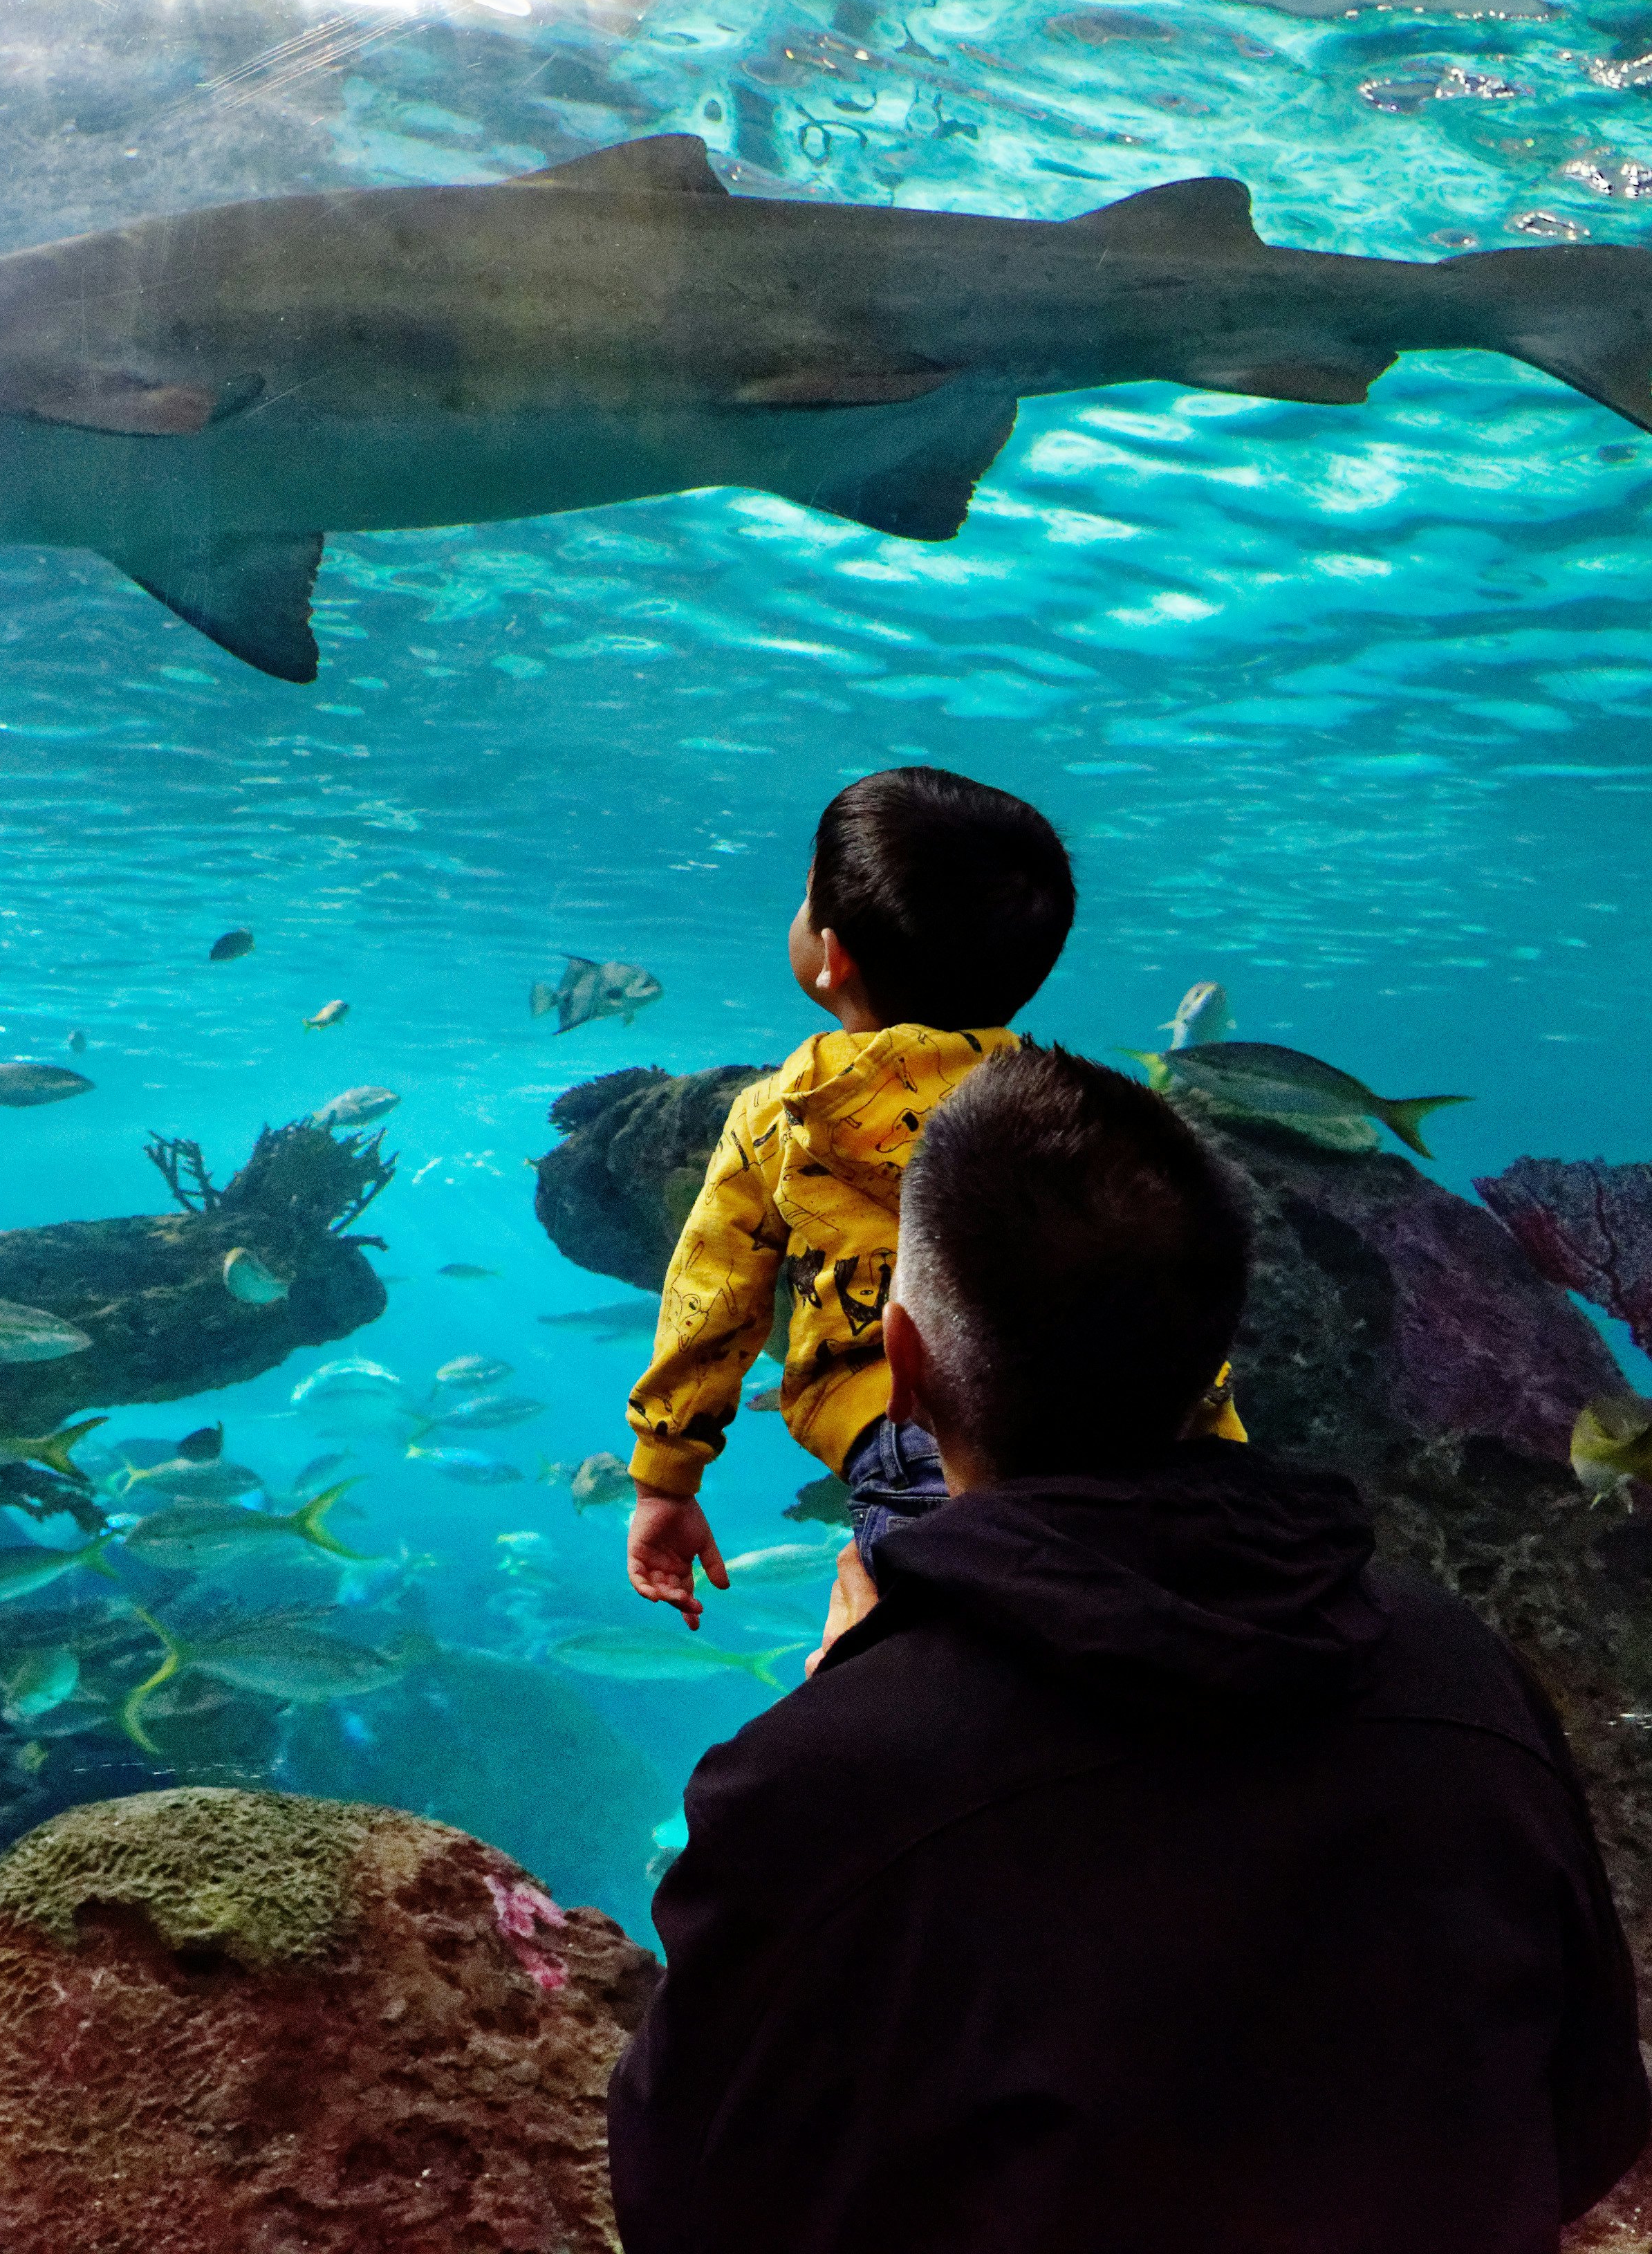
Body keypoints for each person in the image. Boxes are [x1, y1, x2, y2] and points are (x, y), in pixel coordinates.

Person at [607, 1046, 1650, 2254]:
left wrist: (857, 1697)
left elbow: (687, 2200)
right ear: (1215, 1359)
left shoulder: (819, 1784)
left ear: (903, 1364)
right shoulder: (1460, 1675)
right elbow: (1587, 2121)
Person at [627, 765, 1245, 1628]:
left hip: (910, 1439)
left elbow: (711, 1297)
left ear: (831, 955)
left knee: (939, 1659)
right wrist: (1216, 1439)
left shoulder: (782, 1116)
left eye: (805, 894)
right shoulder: (1070, 1106)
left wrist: (665, 1477)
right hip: (1137, 1441)